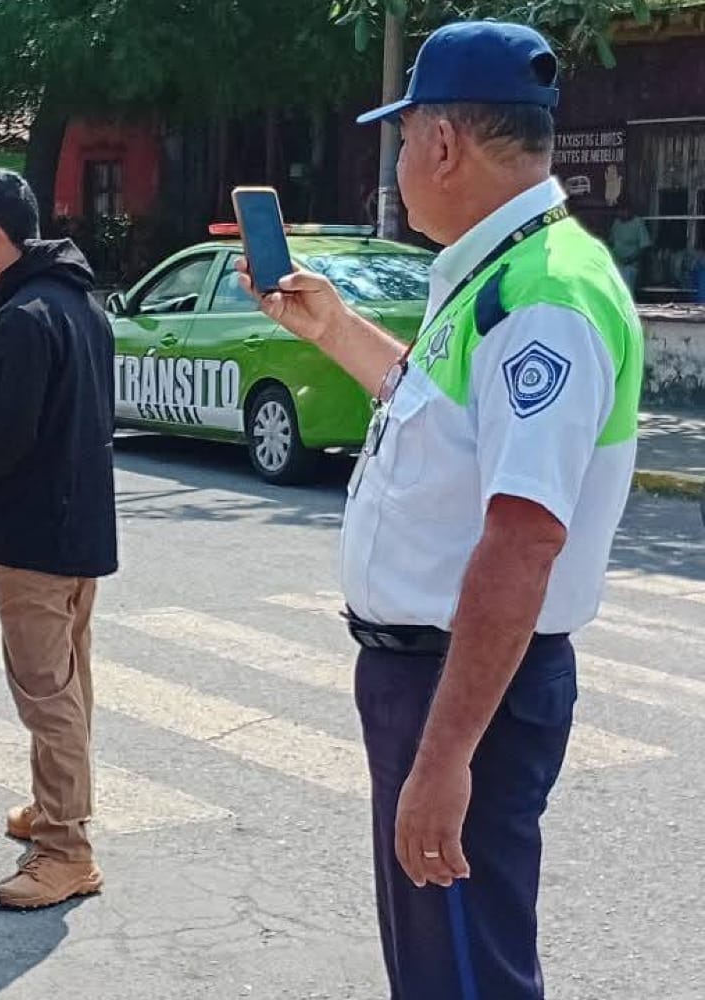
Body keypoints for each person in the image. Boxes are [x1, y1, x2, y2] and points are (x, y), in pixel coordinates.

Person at [239, 22, 643, 1000]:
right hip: (435, 678)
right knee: (441, 961)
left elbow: (522, 539)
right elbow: (434, 415)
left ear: (446, 144)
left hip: (464, 689)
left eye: (404, 137)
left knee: (465, 974)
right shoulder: (502, 275)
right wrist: (332, 325)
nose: (402, 161)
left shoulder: (540, 300)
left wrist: (444, 757)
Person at [0, 169, 118, 910]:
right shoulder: (77, 304)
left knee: (46, 693)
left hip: (35, 534)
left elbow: (2, 442)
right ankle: (54, 808)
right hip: (78, 526)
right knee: (68, 683)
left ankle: (65, 847)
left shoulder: (24, 318)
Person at [609, 203, 652, 294]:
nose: (619, 214)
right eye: (618, 212)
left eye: (622, 211)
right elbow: (611, 242)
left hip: (630, 265)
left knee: (627, 292)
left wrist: (630, 259)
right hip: (616, 263)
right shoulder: (617, 222)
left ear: (628, 211)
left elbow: (644, 247)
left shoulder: (638, 223)